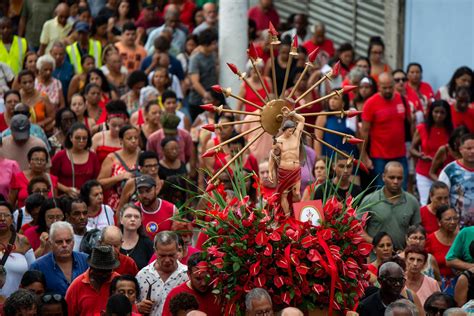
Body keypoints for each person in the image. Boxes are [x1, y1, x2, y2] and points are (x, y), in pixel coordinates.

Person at [361, 72, 409, 189]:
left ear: (394, 85)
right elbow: (364, 132)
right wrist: (364, 156)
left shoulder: (402, 99)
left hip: (400, 155)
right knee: (381, 191)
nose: (388, 90)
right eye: (384, 88)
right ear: (378, 86)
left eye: (390, 87)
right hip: (379, 157)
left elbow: (409, 124)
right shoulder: (370, 103)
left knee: (402, 190)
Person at [358, 161, 420, 250]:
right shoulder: (370, 200)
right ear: (383, 177)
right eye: (392, 177)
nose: (395, 181)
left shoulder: (412, 201)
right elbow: (357, 228)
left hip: (401, 257)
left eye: (399, 178)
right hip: (375, 258)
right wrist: (376, 243)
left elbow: (416, 231)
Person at [30, 221, 89, 296]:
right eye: (59, 242)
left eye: (68, 241)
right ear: (51, 244)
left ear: (73, 242)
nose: (64, 245)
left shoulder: (86, 261)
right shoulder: (38, 266)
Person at [411, 100, 453, 205]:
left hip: (445, 174)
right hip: (425, 172)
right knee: (426, 203)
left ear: (447, 114)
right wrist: (420, 155)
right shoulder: (422, 128)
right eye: (436, 112)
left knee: (446, 204)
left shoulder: (452, 130)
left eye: (442, 112)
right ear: (431, 112)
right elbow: (412, 149)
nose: (438, 115)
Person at [136, 231, 188, 315]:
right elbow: (131, 305)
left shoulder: (187, 275)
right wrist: (138, 307)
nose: (167, 260)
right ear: (155, 251)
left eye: (171, 255)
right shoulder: (143, 275)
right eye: (162, 255)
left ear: (178, 250)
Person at [65, 245, 120, 316]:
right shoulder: (77, 286)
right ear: (92, 268)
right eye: (100, 271)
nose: (104, 275)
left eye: (108, 271)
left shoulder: (119, 283)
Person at [268, 110, 305, 216]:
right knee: (283, 195)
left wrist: (293, 114)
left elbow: (302, 120)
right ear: (284, 130)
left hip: (295, 170)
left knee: (297, 193)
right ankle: (287, 215)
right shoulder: (278, 141)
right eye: (289, 131)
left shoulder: (296, 136)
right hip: (284, 170)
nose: (291, 132)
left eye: (293, 130)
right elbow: (272, 156)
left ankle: (297, 213)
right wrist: (270, 171)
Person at [51, 122, 101, 196]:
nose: (81, 141)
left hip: (86, 199)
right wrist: (66, 189)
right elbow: (50, 178)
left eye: (84, 138)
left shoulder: (93, 157)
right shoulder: (60, 155)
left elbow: (96, 179)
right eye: (77, 138)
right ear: (71, 138)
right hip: (64, 198)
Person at [98, 125, 140, 210]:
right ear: (121, 140)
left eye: (136, 138)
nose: (133, 141)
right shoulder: (112, 158)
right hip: (117, 205)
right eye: (129, 138)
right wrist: (118, 177)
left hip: (140, 204)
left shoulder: (143, 156)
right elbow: (100, 182)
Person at [0, 201, 35, 297]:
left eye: (6, 215)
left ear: (12, 219)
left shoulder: (22, 241)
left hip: (18, 303)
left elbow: (33, 272)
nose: (2, 219)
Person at [439, 134, 474, 226]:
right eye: (468, 148)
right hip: (457, 226)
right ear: (460, 149)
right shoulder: (450, 170)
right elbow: (440, 198)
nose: (473, 151)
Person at [426, 206, 460, 295]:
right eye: (448, 219)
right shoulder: (430, 240)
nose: (453, 222)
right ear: (439, 221)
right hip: (438, 286)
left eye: (455, 218)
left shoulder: (462, 237)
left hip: (460, 284)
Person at [315, 90, 358, 158]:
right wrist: (318, 158)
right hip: (329, 157)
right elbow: (317, 140)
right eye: (330, 98)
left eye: (335, 98)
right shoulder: (323, 115)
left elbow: (358, 136)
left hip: (349, 157)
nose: (332, 101)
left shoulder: (351, 114)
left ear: (343, 102)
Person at [187, 29, 218, 120]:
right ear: (205, 44)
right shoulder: (196, 59)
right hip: (198, 101)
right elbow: (195, 82)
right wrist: (205, 94)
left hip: (213, 97)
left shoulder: (212, 54)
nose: (215, 46)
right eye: (212, 43)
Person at [135, 175, 176, 240]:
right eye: (141, 192)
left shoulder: (171, 209)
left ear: (156, 189)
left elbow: (177, 237)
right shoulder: (134, 210)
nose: (144, 195)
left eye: (148, 191)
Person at [91, 100, 130, 165]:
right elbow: (90, 160)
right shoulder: (97, 137)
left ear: (125, 123)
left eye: (120, 126)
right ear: (107, 122)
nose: (117, 129)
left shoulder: (129, 138)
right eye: (114, 125)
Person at [18, 70, 55, 134]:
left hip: (41, 132)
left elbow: (51, 116)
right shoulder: (17, 98)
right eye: (24, 83)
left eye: (30, 82)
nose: (28, 85)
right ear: (20, 84)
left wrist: (41, 123)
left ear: (34, 81)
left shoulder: (43, 97)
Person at [119, 204, 154, 270]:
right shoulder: (114, 242)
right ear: (121, 219)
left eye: (136, 217)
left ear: (141, 220)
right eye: (128, 216)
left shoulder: (147, 244)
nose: (132, 219)